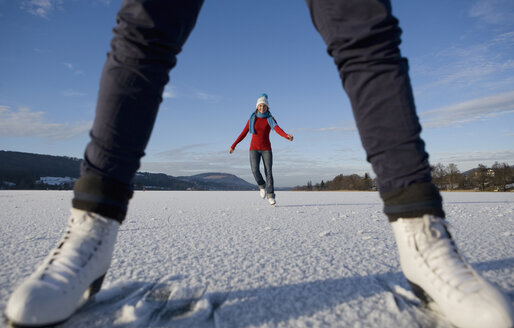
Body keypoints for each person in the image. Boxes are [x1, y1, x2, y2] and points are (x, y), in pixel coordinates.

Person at [5, 0, 514, 327]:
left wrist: (287, 132)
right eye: (263, 105)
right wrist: (232, 145)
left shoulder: (273, 116)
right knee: (145, 23)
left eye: (268, 104)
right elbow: (245, 131)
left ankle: (420, 232)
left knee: (364, 27)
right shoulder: (252, 117)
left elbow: (279, 127)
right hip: (250, 150)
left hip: (269, 150)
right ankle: (91, 230)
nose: (265, 107)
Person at [229, 94, 294, 205]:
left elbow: (277, 129)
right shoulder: (252, 119)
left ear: (267, 107)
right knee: (255, 169)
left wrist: (286, 136)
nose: (262, 108)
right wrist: (233, 145)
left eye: (264, 106)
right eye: (260, 106)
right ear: (257, 107)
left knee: (268, 171)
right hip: (254, 149)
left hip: (266, 149)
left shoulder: (270, 119)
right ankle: (262, 186)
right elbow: (243, 133)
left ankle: (270, 195)